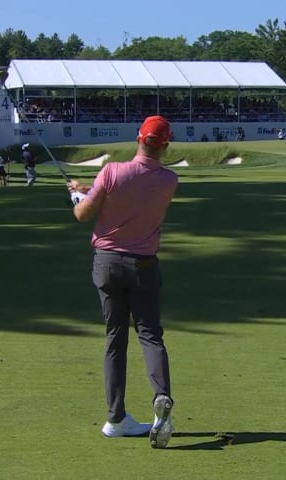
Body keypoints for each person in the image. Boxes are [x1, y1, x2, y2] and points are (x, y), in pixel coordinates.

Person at [66, 115, 178, 449]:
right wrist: (90, 190)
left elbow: (85, 214)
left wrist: (78, 198)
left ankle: (116, 418)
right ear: (165, 145)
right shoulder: (169, 180)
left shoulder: (111, 171)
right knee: (150, 335)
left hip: (108, 264)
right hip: (144, 266)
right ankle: (161, 399)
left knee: (115, 338)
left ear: (138, 138)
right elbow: (134, 195)